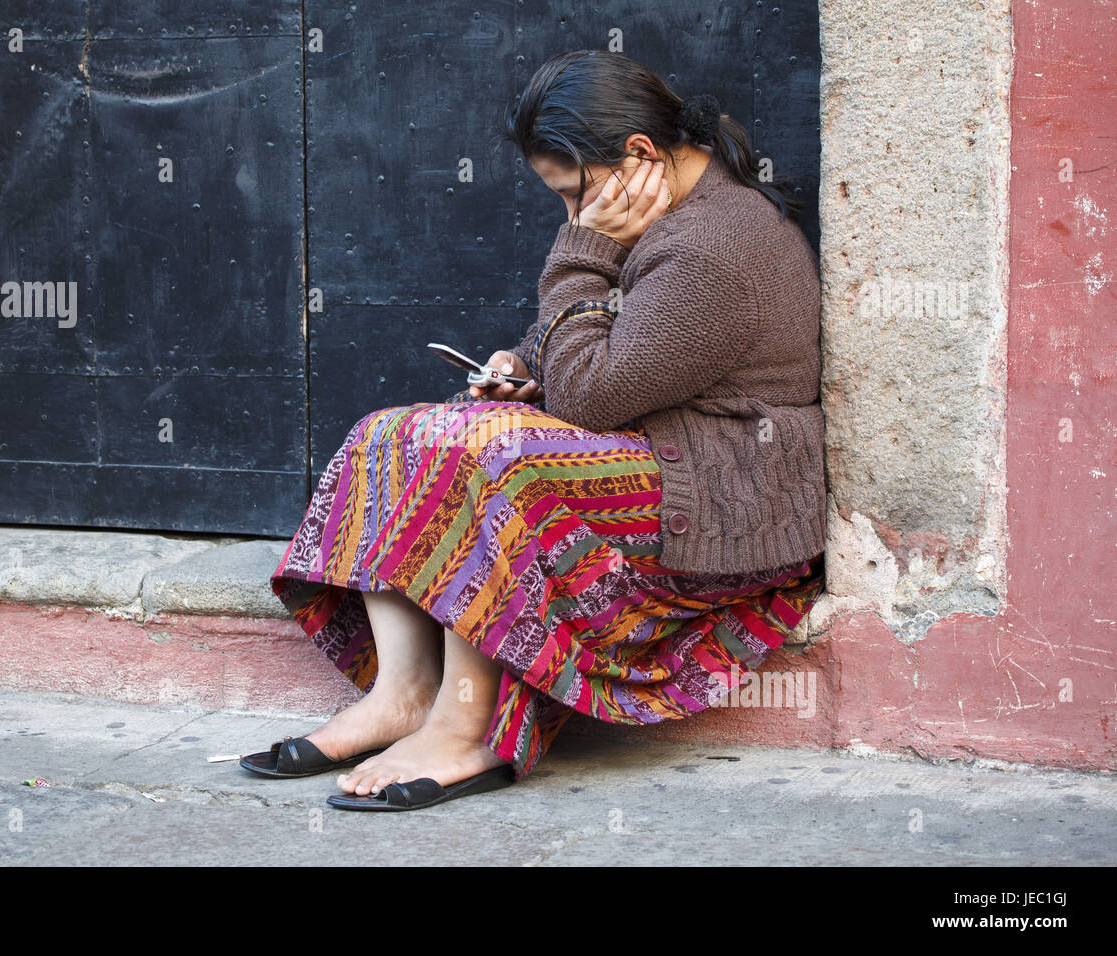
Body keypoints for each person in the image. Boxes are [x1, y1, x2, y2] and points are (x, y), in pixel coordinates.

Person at [242, 49, 828, 812]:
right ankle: (403, 694)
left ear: (640, 154)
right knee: (390, 435)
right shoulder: (673, 218)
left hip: (716, 498)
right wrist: (525, 366)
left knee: (488, 455)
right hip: (653, 448)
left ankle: (466, 726)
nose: (571, 217)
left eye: (571, 194)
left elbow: (590, 395)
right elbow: (610, 351)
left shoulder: (716, 246)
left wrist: (582, 253)